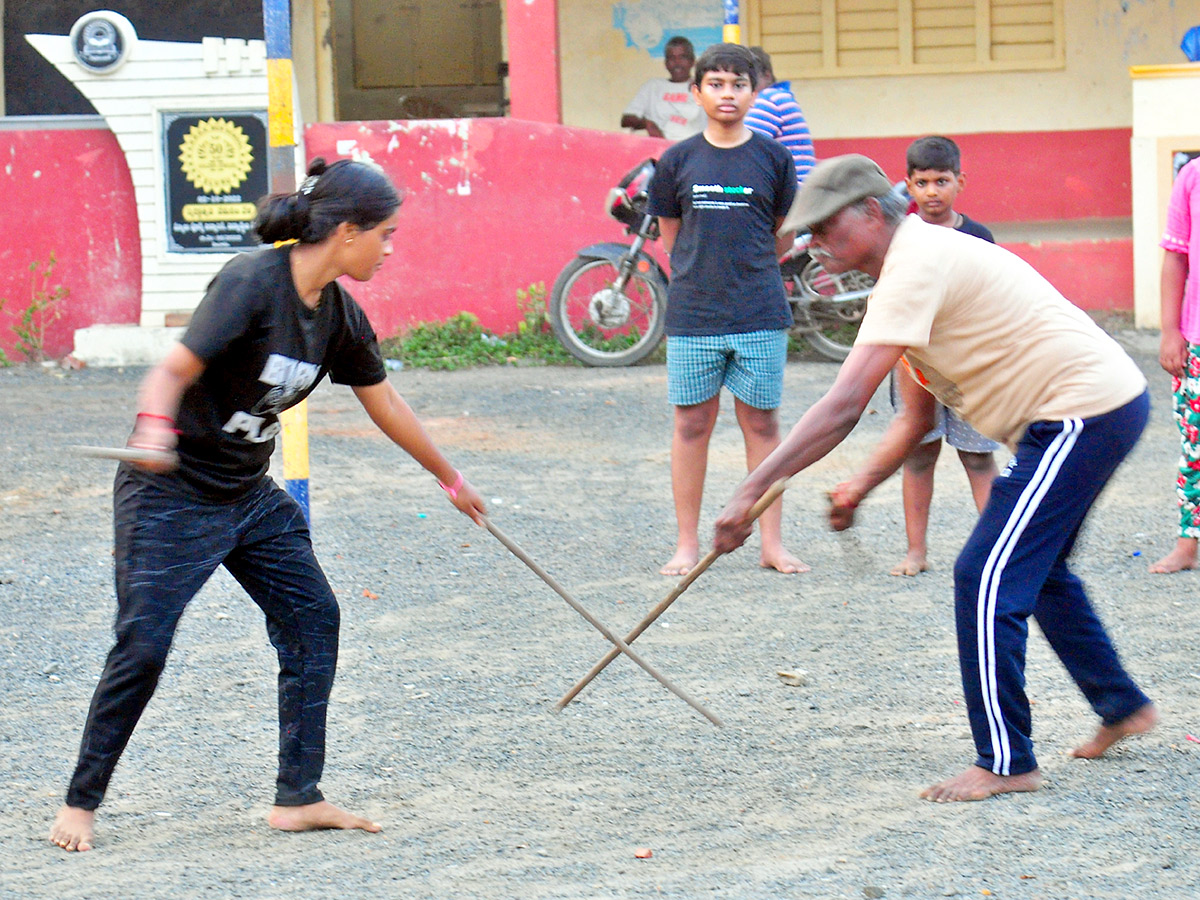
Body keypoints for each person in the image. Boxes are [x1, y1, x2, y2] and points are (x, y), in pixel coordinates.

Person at [49, 158, 487, 852]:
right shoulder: (253, 281)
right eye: (386, 234)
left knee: (314, 617)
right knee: (144, 645)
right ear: (348, 232)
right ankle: (80, 803)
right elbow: (172, 370)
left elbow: (385, 401)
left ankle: (298, 797)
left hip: (247, 495)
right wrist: (155, 428)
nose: (391, 247)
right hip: (170, 494)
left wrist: (450, 478)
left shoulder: (338, 313)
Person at [713, 154, 1157, 802]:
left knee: (985, 573)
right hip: (1091, 411)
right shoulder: (909, 266)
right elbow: (913, 416)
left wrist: (748, 493)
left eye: (825, 228)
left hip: (1080, 413)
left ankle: (1007, 760)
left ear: (871, 212)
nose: (814, 246)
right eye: (806, 234)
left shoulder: (914, 264)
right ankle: (1122, 706)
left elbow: (842, 405)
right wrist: (860, 486)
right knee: (1040, 570)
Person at [646, 42, 806, 577]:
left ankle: (772, 544)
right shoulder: (676, 161)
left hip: (761, 309)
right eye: (715, 84)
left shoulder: (774, 158)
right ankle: (687, 545)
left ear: (754, 92)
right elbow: (672, 239)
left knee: (762, 425)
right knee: (692, 425)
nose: (727, 94)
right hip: (695, 315)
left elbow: (782, 236)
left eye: (738, 84)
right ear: (697, 93)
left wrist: (749, 265)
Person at [886, 136, 1002, 576]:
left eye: (942, 181)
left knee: (977, 457)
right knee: (918, 456)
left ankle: (997, 551)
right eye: (922, 183)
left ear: (960, 182)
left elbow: (995, 297)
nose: (932, 191)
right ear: (909, 187)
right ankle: (916, 552)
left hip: (969, 366)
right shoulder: (900, 235)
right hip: (914, 364)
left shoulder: (978, 237)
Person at [1150, 155, 1200, 573]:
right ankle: (1188, 544)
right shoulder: (1192, 176)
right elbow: (1175, 257)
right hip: (1197, 339)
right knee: (1195, 449)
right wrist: (1170, 330)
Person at [745, 46, 816, 185]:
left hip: (790, 196)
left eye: (749, 80)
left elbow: (742, 148)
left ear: (767, 76)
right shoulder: (781, 96)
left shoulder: (770, 99)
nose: (746, 87)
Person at [620, 36, 706, 141]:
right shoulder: (653, 87)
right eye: (671, 58)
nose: (677, 62)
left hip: (694, 149)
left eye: (683, 57)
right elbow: (626, 120)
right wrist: (648, 124)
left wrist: (701, 82)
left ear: (692, 61)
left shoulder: (702, 87)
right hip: (661, 150)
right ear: (666, 63)